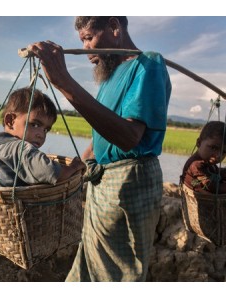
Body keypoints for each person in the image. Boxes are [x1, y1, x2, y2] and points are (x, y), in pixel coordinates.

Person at [28, 16, 172, 281]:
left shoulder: (147, 64)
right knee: (89, 270)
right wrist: (76, 167)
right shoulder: (109, 78)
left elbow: (129, 137)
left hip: (128, 186)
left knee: (117, 274)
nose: (85, 50)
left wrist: (63, 81)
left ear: (114, 28)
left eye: (88, 38)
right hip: (103, 187)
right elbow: (100, 138)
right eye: (81, 40)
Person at [0, 87, 85, 187]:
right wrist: (73, 167)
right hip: (19, 206)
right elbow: (54, 173)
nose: (41, 134)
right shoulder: (20, 148)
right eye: (35, 124)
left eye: (46, 129)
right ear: (10, 121)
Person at [181, 121, 226, 194]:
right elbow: (211, 186)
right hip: (199, 202)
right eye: (213, 148)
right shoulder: (196, 164)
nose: (218, 155)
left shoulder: (208, 163)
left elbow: (216, 173)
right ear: (199, 143)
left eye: (224, 152)